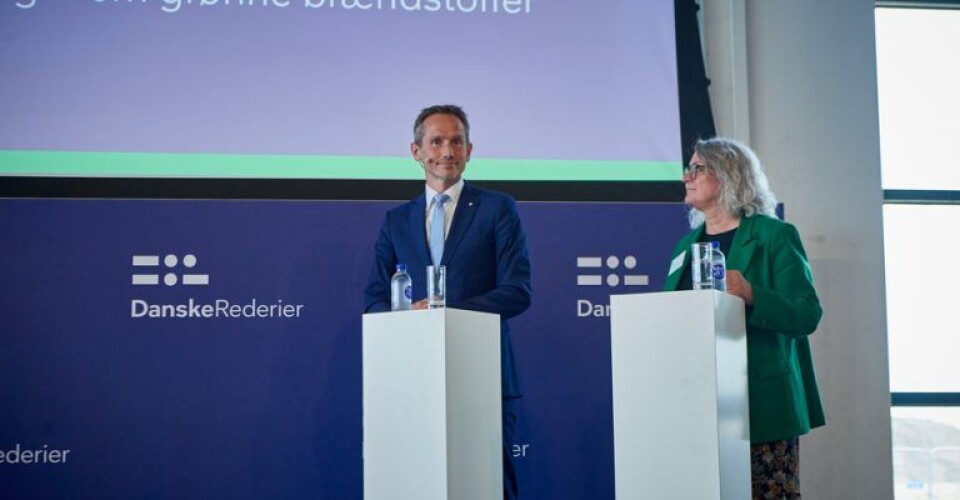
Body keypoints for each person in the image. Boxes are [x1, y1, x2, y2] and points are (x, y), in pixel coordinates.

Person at [363, 104, 532, 499]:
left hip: (483, 375)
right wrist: (411, 314)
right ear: (416, 151)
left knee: (487, 483)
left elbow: (518, 290)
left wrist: (445, 311)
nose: (447, 151)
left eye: (457, 141)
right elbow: (374, 300)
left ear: (470, 150)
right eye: (436, 141)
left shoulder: (497, 208)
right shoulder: (395, 221)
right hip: (412, 379)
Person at [662, 137, 825, 499]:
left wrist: (752, 294)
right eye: (688, 168)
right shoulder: (684, 246)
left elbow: (806, 314)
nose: (686, 176)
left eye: (697, 168)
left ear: (728, 174)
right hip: (698, 404)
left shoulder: (774, 236)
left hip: (761, 402)